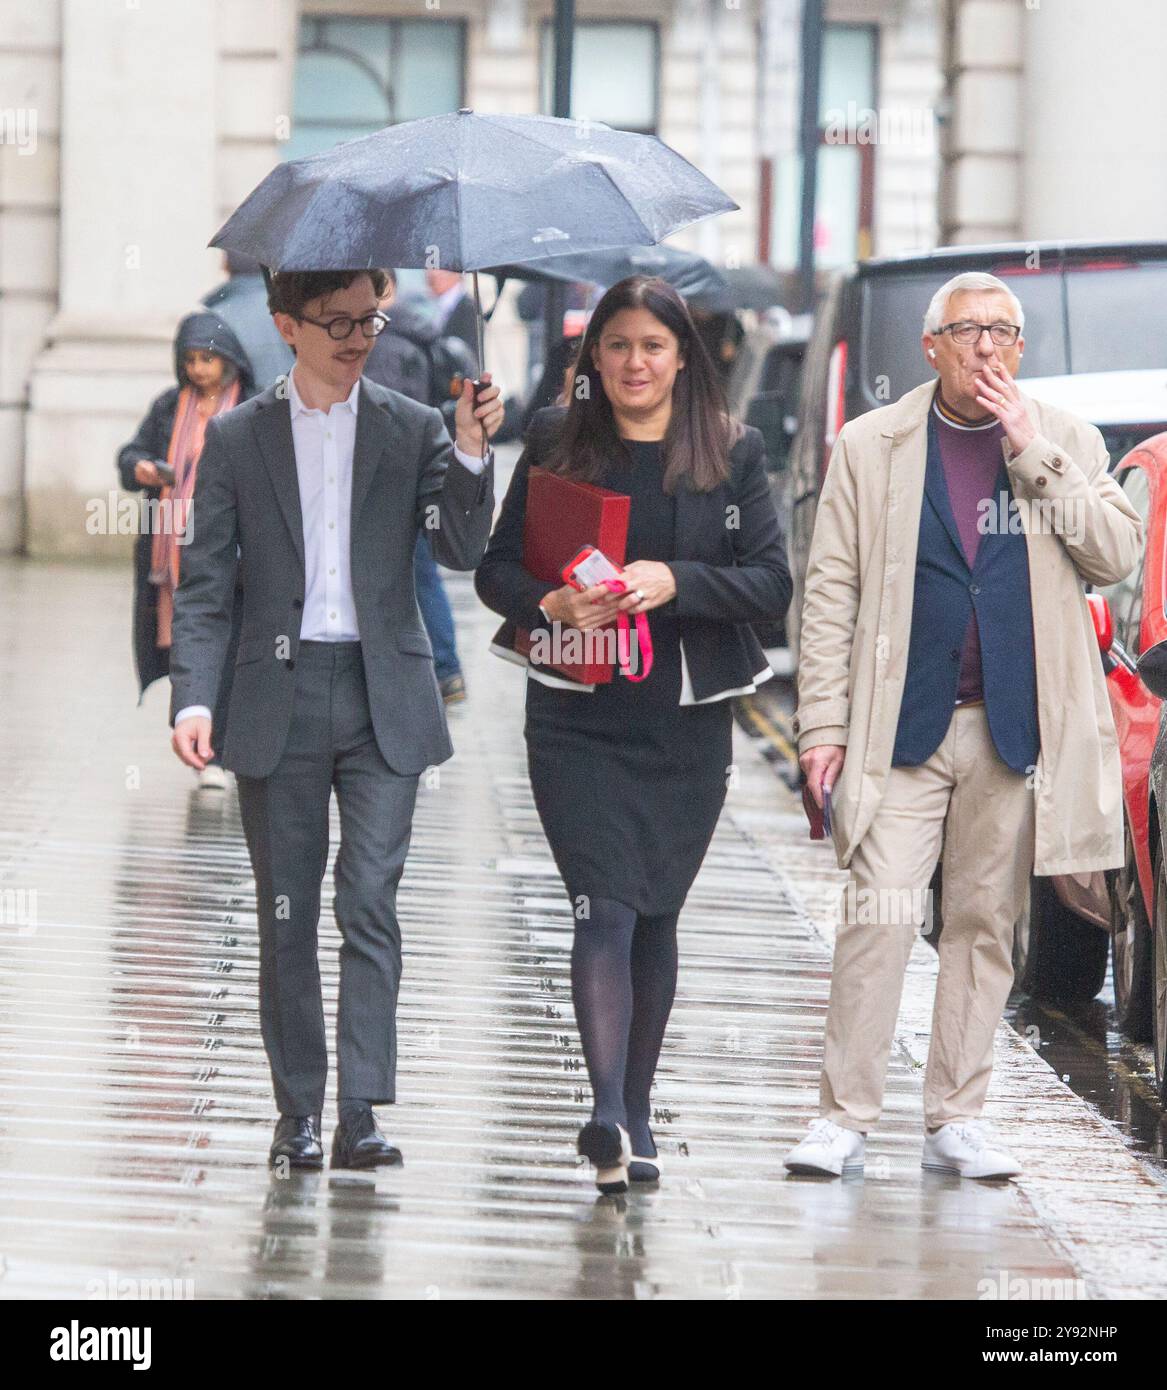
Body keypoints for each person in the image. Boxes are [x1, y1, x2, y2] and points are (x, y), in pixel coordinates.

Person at [786, 271, 1142, 1181]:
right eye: (965, 330)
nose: (984, 346)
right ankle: (844, 1117)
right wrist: (820, 727)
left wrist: (1031, 448)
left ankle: (956, 1113)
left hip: (1009, 729)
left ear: (1020, 350)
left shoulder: (1063, 439)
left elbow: (1112, 553)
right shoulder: (872, 445)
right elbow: (828, 595)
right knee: (879, 914)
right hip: (899, 729)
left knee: (985, 925)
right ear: (930, 346)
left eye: (1001, 332)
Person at [167, 268, 503, 1172]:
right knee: (286, 914)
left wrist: (472, 452)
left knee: (369, 902)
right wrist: (193, 697)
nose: (360, 337)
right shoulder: (238, 438)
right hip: (273, 697)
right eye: (338, 321)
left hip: (383, 697)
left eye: (371, 318)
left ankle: (360, 1109)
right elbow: (204, 587)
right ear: (286, 326)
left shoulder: (414, 425)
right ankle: (298, 1112)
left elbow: (461, 548)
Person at [475, 276, 791, 1193]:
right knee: (603, 905)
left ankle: (639, 1112)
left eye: (652, 346)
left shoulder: (731, 452)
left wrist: (673, 580)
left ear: (682, 355)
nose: (634, 363)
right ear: (593, 356)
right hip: (577, 719)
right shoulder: (555, 440)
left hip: (683, 724)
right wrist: (548, 599)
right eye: (616, 345)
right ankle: (606, 1109)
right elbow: (495, 569)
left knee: (655, 913)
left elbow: (771, 583)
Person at [117, 309, 254, 790]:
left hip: (230, 556)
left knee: (230, 646)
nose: (199, 369)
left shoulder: (249, 409)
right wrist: (145, 470)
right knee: (188, 648)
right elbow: (128, 455)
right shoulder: (168, 406)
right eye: (190, 360)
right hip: (171, 561)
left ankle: (221, 750)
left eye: (208, 359)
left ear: (230, 361)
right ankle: (200, 742)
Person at [365, 268, 479, 703]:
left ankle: (444, 669)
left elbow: (386, 419)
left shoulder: (386, 345)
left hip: (393, 479)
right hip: (421, 470)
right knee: (421, 572)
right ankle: (445, 669)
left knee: (417, 571)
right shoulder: (420, 331)